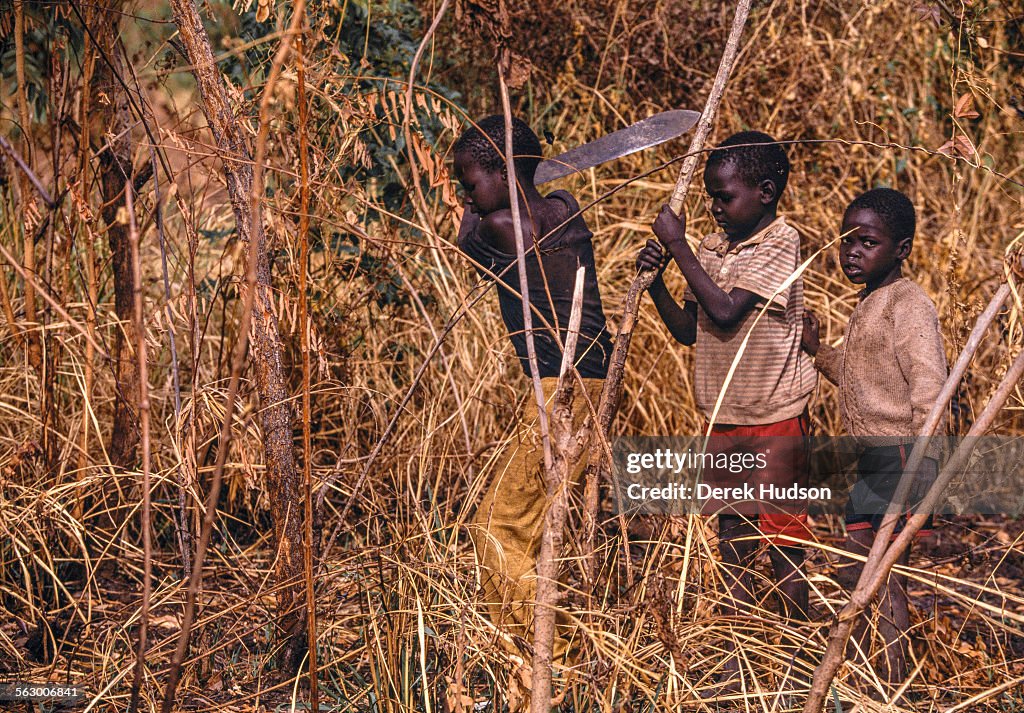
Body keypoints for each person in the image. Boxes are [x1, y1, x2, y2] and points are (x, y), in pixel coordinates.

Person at [637, 131, 817, 690]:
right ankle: (738, 643)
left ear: (766, 192)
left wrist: (679, 245)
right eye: (711, 196)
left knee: (785, 541)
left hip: (776, 413)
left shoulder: (780, 243)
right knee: (732, 535)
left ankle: (794, 653)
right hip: (723, 415)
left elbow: (725, 308)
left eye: (725, 196)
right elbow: (692, 328)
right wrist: (659, 281)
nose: (715, 207)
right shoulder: (714, 247)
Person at [453, 114, 613, 665]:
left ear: (501, 172)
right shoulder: (565, 206)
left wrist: (467, 218)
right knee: (540, 525)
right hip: (595, 381)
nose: (465, 195)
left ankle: (553, 655)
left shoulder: (501, 227)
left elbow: (469, 240)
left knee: (495, 527)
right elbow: (532, 200)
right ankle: (552, 648)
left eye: (469, 182)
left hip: (559, 389)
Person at [802, 187, 947, 694]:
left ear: (901, 249)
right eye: (847, 241)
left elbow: (930, 388)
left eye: (867, 242)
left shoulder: (907, 304)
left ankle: (890, 680)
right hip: (874, 458)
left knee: (882, 573)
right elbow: (866, 379)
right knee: (863, 564)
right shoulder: (870, 303)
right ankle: (873, 671)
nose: (852, 252)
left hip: (901, 456)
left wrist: (926, 465)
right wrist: (820, 353)